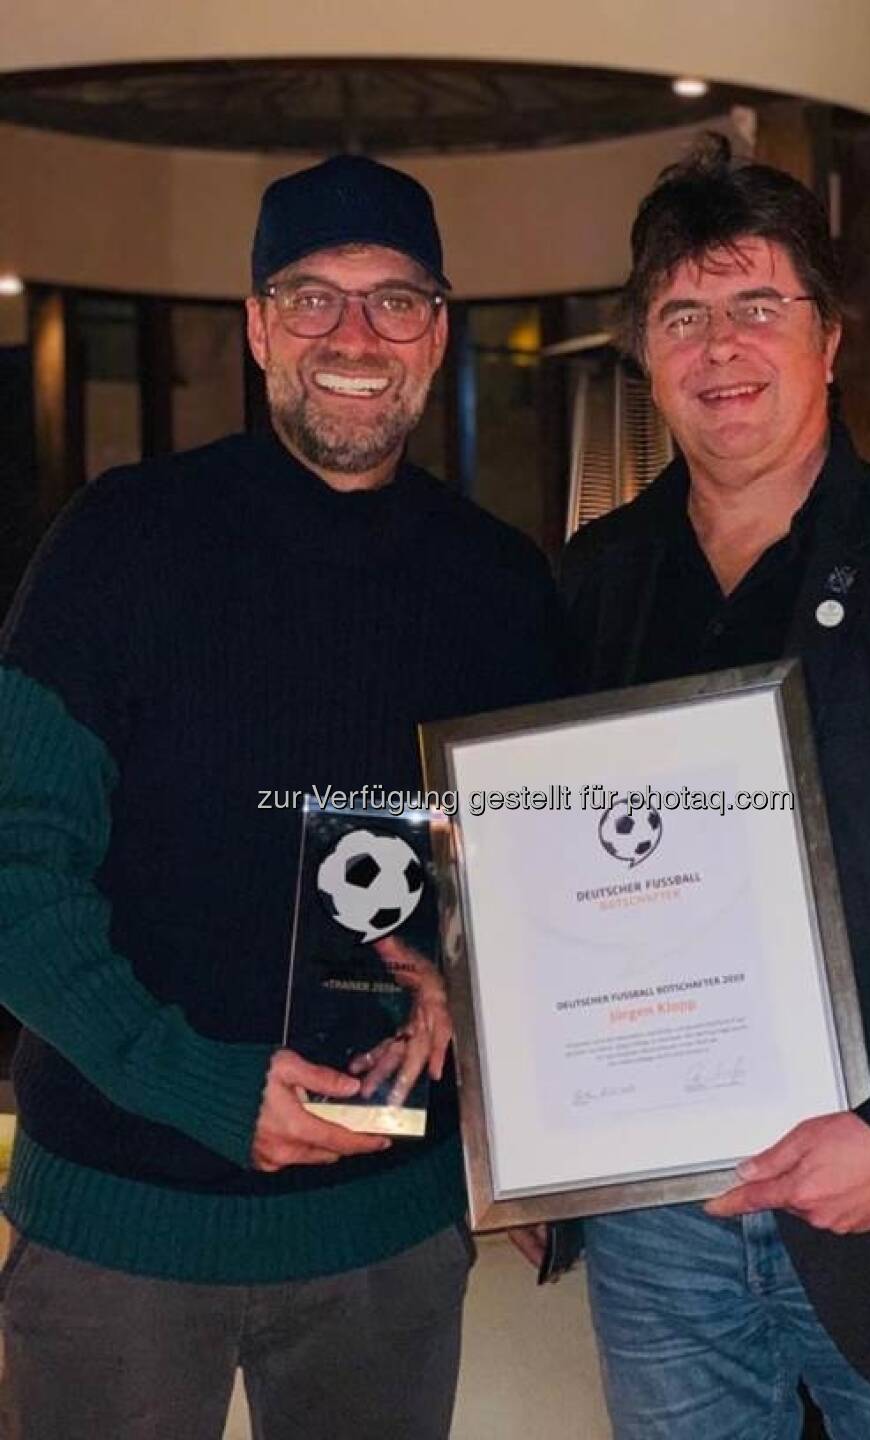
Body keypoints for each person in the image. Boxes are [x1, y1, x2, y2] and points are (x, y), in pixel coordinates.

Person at [514, 139, 870, 1438]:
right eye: (684, 315)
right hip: (664, 1227)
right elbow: (551, 881)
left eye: (758, 304)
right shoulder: (595, 582)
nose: (722, 347)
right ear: (646, 356)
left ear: (830, 339)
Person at [0, 153, 563, 1440]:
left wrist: (497, 1058)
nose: (355, 336)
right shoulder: (118, 542)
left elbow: (518, 883)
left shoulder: (501, 587)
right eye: (313, 299)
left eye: (395, 300)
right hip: (121, 1234)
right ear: (257, 328)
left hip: (387, 1243)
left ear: (439, 329)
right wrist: (194, 1083)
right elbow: (13, 868)